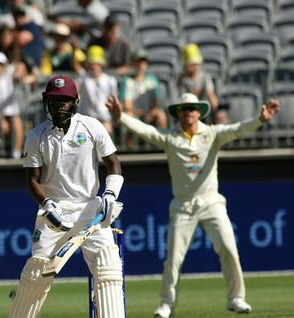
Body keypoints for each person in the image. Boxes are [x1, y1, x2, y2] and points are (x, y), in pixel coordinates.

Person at [106, 93, 280, 318]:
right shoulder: (170, 138)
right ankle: (167, 303)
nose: (188, 113)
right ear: (179, 114)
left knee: (229, 250)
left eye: (192, 109)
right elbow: (146, 131)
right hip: (182, 206)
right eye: (183, 110)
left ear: (199, 112)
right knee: (174, 258)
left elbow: (237, 129)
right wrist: (121, 118)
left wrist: (260, 120)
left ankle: (236, 298)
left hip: (211, 202)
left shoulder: (212, 134)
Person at [9, 74, 125, 318]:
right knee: (37, 273)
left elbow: (113, 164)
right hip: (54, 213)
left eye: (65, 100)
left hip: (90, 210)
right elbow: (32, 180)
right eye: (54, 100)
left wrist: (111, 194)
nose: (60, 105)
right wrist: (47, 204)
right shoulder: (36, 136)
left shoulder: (91, 126)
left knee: (108, 266)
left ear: (75, 101)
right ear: (46, 102)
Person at [78, 45, 118, 134]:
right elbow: (76, 90)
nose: (94, 66)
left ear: (101, 64)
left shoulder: (110, 81)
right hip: (86, 120)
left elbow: (114, 101)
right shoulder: (83, 78)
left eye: (97, 63)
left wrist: (112, 119)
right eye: (92, 63)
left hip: (104, 119)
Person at [176, 43, 220, 121]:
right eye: (192, 64)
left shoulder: (204, 77)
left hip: (203, 110)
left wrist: (217, 111)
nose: (195, 67)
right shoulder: (181, 79)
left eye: (196, 64)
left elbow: (211, 95)